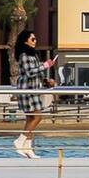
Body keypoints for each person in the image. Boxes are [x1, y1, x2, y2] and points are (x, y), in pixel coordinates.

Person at [11, 29, 55, 159]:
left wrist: (46, 81)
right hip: (27, 89)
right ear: (25, 41)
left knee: (31, 119)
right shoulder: (23, 55)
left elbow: (36, 72)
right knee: (37, 117)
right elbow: (29, 72)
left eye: (35, 39)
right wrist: (45, 65)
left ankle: (28, 148)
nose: (35, 41)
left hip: (34, 89)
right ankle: (20, 141)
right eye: (32, 39)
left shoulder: (33, 54)